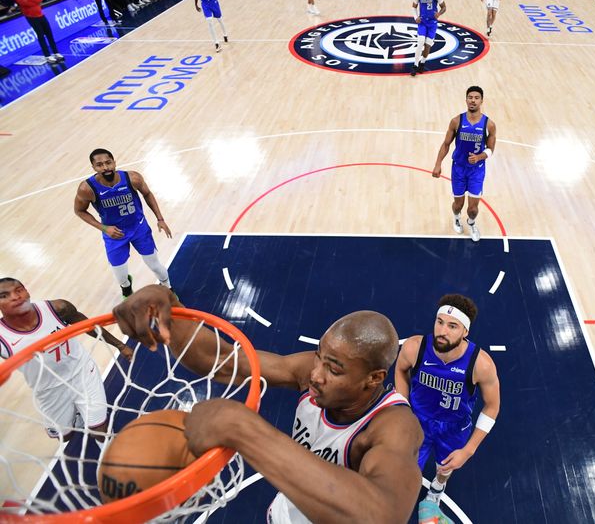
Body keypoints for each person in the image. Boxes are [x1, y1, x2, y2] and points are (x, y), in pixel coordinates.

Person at [112, 285, 424, 523]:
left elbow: (383, 514)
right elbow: (221, 360)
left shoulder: (395, 425)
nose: (315, 374)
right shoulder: (311, 371)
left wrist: (244, 429)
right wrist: (167, 307)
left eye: (333, 369)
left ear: (374, 378)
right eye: (319, 357)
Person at [394, 294, 500, 506]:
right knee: (407, 467)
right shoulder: (415, 347)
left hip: (454, 427)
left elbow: (492, 406)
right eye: (440, 322)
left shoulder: (481, 364)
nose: (442, 331)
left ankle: (437, 487)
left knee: (444, 468)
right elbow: (400, 370)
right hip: (417, 420)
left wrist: (469, 450)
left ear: (465, 331)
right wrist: (403, 407)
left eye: (452, 326)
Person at [0, 278, 132, 440]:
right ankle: (76, 415)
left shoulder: (58, 308)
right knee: (65, 436)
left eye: (19, 290)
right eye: (4, 296)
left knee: (99, 430)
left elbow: (89, 326)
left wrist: (120, 346)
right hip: (48, 389)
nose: (15, 297)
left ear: (27, 291)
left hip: (82, 372)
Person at [73, 148, 174, 299]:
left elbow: (147, 194)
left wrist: (160, 219)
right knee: (120, 275)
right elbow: (79, 211)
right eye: (99, 165)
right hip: (114, 234)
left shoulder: (132, 178)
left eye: (108, 162)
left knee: (154, 265)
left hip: (139, 228)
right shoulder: (87, 188)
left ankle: (168, 288)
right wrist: (104, 228)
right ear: (93, 167)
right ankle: (126, 289)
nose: (105, 167)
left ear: (114, 162)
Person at [432, 86, 497, 242]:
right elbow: (446, 144)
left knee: (473, 209)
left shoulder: (489, 125)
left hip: (477, 171)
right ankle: (456, 218)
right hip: (459, 169)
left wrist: (479, 157)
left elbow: (490, 150)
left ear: (481, 100)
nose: (473, 100)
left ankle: (471, 223)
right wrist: (438, 164)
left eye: (476, 98)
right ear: (466, 99)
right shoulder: (456, 121)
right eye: (470, 97)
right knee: (458, 204)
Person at [10, 0, 63, 64]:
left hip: (40, 14)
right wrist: (33, 0)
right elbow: (22, 2)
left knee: (49, 34)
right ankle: (47, 55)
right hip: (31, 16)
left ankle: (56, 52)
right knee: (40, 35)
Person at [410, 0, 446, 76]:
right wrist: (416, 17)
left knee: (427, 46)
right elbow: (414, 7)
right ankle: (415, 65)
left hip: (432, 24)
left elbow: (444, 7)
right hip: (422, 22)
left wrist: (439, 13)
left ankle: (422, 63)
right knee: (420, 42)